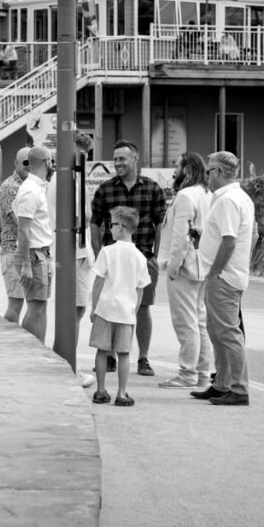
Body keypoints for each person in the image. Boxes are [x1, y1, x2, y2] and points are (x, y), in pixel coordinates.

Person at [90, 140, 166, 376]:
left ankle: (143, 358)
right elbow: (95, 224)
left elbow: (160, 223)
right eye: (115, 160)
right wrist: (98, 253)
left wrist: (155, 255)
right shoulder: (105, 189)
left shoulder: (153, 189)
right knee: (110, 305)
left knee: (142, 307)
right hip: (112, 258)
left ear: (135, 159)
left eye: (122, 159)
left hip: (142, 256)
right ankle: (110, 356)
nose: (117, 163)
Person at [191, 151, 257, 406]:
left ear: (218, 172)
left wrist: (216, 271)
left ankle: (238, 389)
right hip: (229, 275)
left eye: (209, 171)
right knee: (217, 331)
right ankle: (222, 384)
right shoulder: (239, 198)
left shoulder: (228, 200)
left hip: (224, 276)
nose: (207, 175)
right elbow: (251, 235)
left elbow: (229, 241)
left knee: (227, 333)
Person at [157, 152, 213, 388]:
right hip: (202, 266)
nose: (173, 172)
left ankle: (187, 373)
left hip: (184, 267)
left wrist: (173, 266)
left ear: (187, 170)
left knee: (185, 321)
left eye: (176, 167)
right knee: (199, 321)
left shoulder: (185, 196)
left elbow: (180, 237)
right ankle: (202, 373)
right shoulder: (207, 194)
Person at [47, 132, 96, 388]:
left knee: (74, 310)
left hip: (76, 250)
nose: (84, 159)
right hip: (74, 252)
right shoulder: (67, 179)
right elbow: (83, 216)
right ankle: (68, 365)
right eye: (83, 154)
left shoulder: (67, 177)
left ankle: (65, 362)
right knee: (74, 310)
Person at [89, 206, 150, 407]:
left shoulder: (107, 252)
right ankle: (122, 393)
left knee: (101, 351)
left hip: (105, 310)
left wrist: (94, 307)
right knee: (124, 353)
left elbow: (98, 282)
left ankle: (100, 390)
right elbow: (140, 289)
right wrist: (134, 309)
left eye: (112, 224)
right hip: (126, 313)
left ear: (122, 227)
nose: (109, 228)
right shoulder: (140, 258)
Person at [13, 145, 54, 342]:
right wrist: (26, 265)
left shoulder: (38, 187)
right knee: (35, 307)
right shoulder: (30, 190)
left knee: (41, 306)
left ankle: (40, 349)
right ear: (47, 162)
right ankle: (29, 349)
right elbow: (23, 229)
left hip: (42, 253)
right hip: (34, 254)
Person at [0, 146, 31, 324]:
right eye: (25, 162)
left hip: (30, 251)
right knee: (16, 304)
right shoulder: (10, 187)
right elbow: (22, 222)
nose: (29, 165)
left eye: (32, 162)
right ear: (16, 163)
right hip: (14, 251)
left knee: (34, 306)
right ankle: (9, 342)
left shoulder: (32, 186)